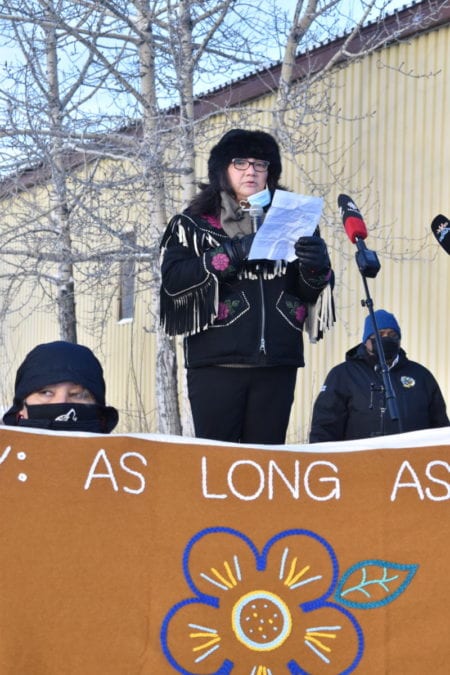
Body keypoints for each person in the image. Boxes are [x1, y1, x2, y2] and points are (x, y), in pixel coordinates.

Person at [160, 128, 334, 444]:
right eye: (240, 162)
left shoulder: (294, 220)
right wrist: (234, 252)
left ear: (271, 172)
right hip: (216, 362)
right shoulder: (193, 224)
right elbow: (174, 281)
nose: (251, 170)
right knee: (217, 465)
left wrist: (317, 267)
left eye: (260, 163)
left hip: (277, 362)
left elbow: (308, 292)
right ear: (223, 171)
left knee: (265, 466)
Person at [309, 309, 449, 441]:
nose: (386, 339)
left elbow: (440, 428)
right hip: (360, 462)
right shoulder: (343, 375)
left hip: (411, 463)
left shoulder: (421, 376)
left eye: (392, 335)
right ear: (366, 341)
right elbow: (324, 428)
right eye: (379, 335)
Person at [3, 341, 119, 433]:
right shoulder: (4, 458)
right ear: (21, 407)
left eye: (77, 394)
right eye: (46, 392)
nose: (61, 403)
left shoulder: (122, 460)